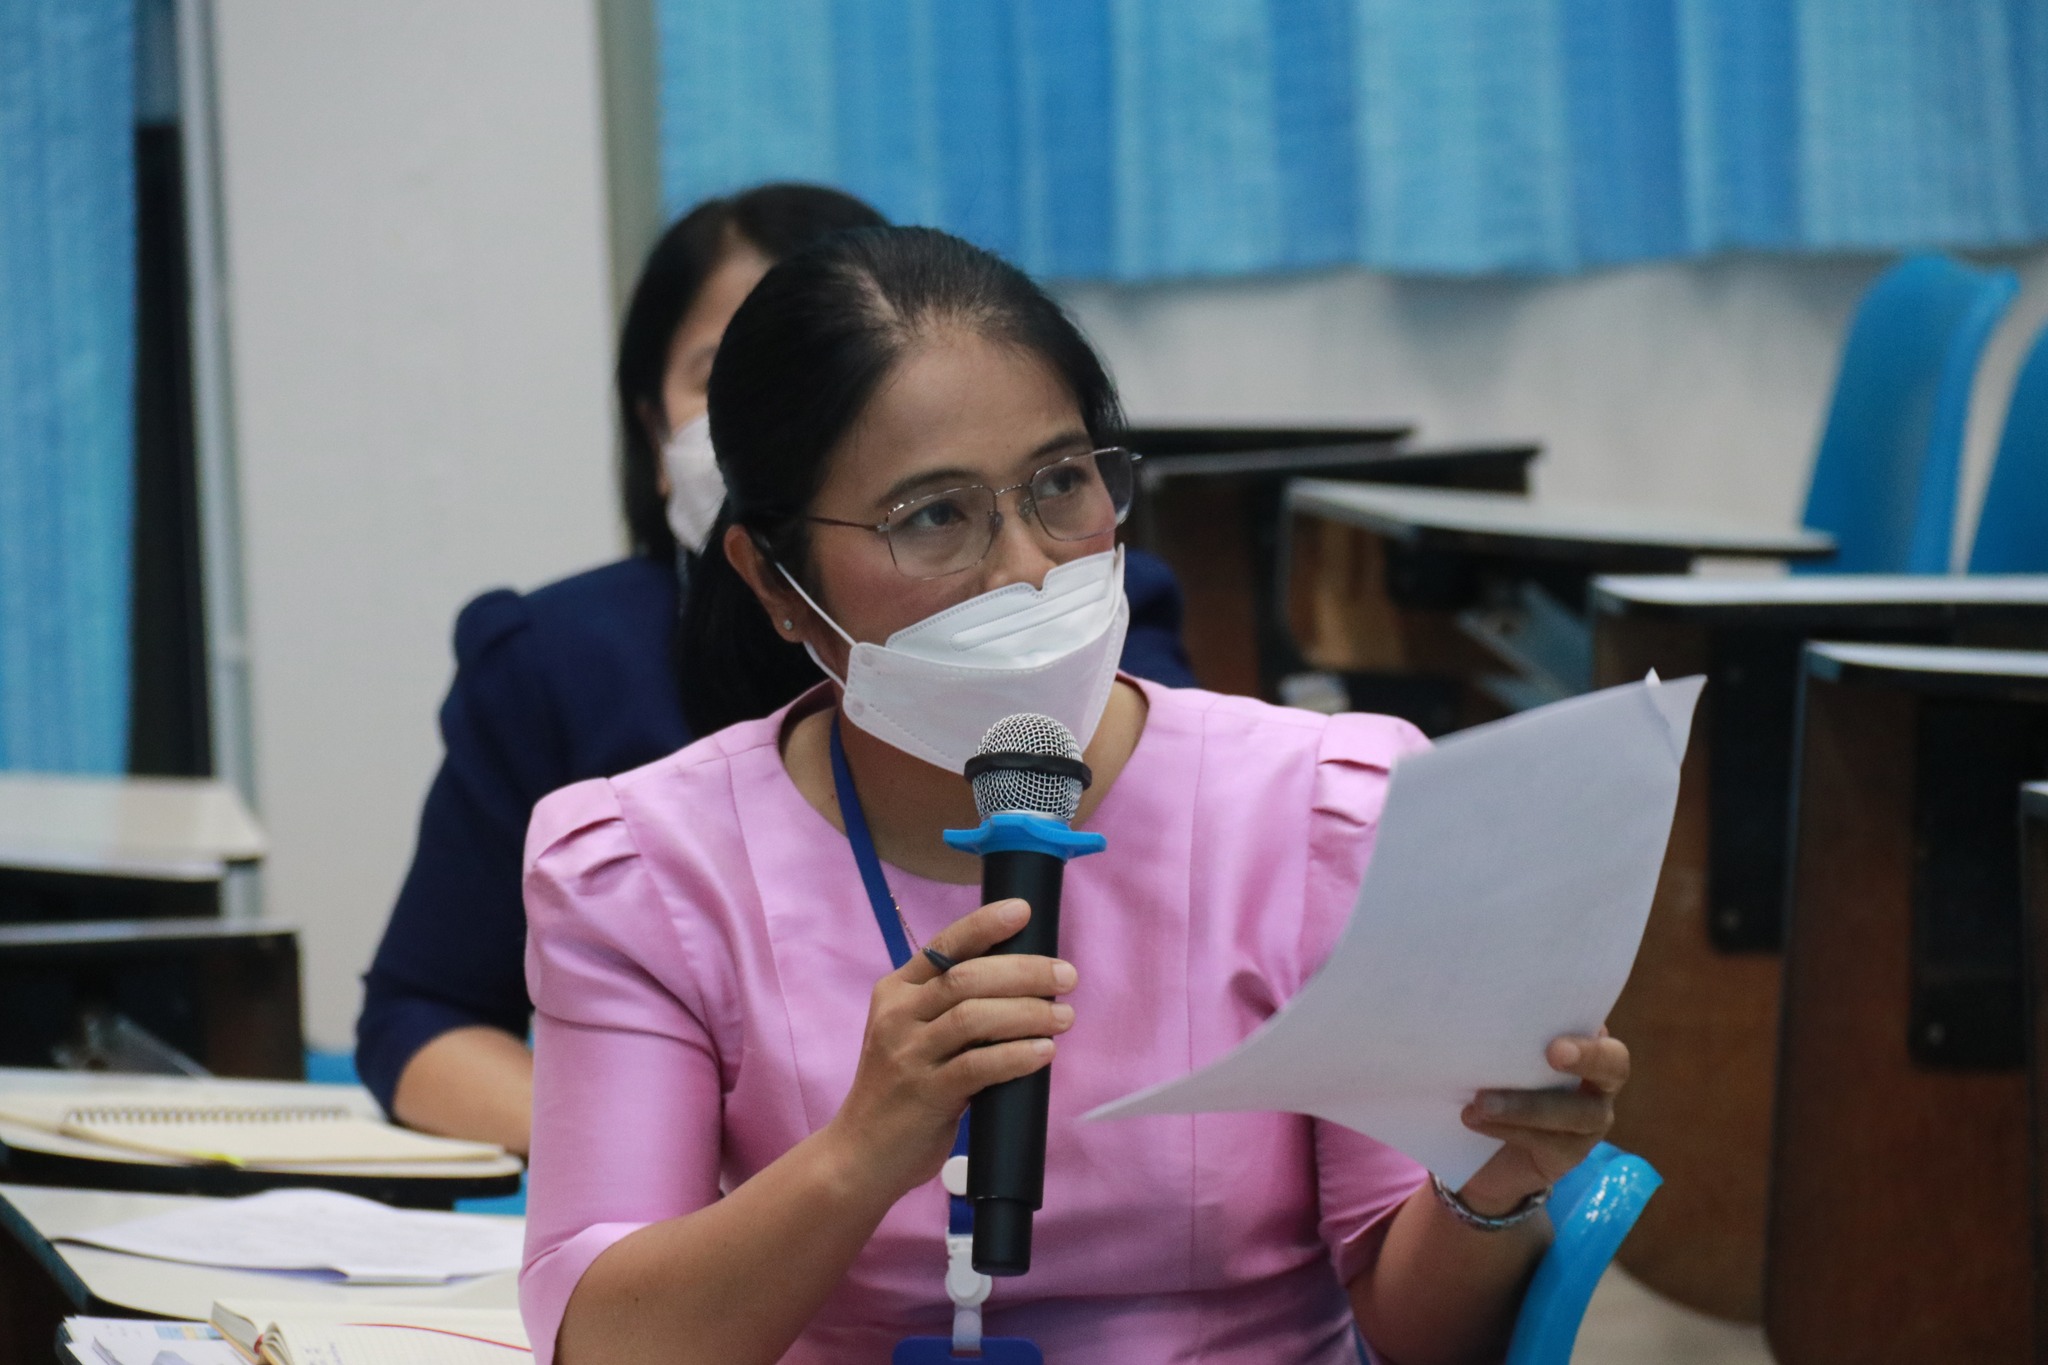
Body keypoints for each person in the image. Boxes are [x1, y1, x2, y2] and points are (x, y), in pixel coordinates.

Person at [520, 226, 1631, 1365]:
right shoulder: (646, 871)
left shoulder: (1326, 815)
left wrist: (1490, 1184)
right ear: (774, 578)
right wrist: (859, 1152)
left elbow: (1418, 1337)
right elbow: (607, 1343)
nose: (1026, 568)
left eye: (1060, 484)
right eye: (933, 516)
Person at [355, 186, 1195, 1154]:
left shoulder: (1082, 620)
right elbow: (426, 1010)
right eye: (726, 376)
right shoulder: (557, 661)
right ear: (650, 427)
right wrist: (677, 1156)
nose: (1017, 565)